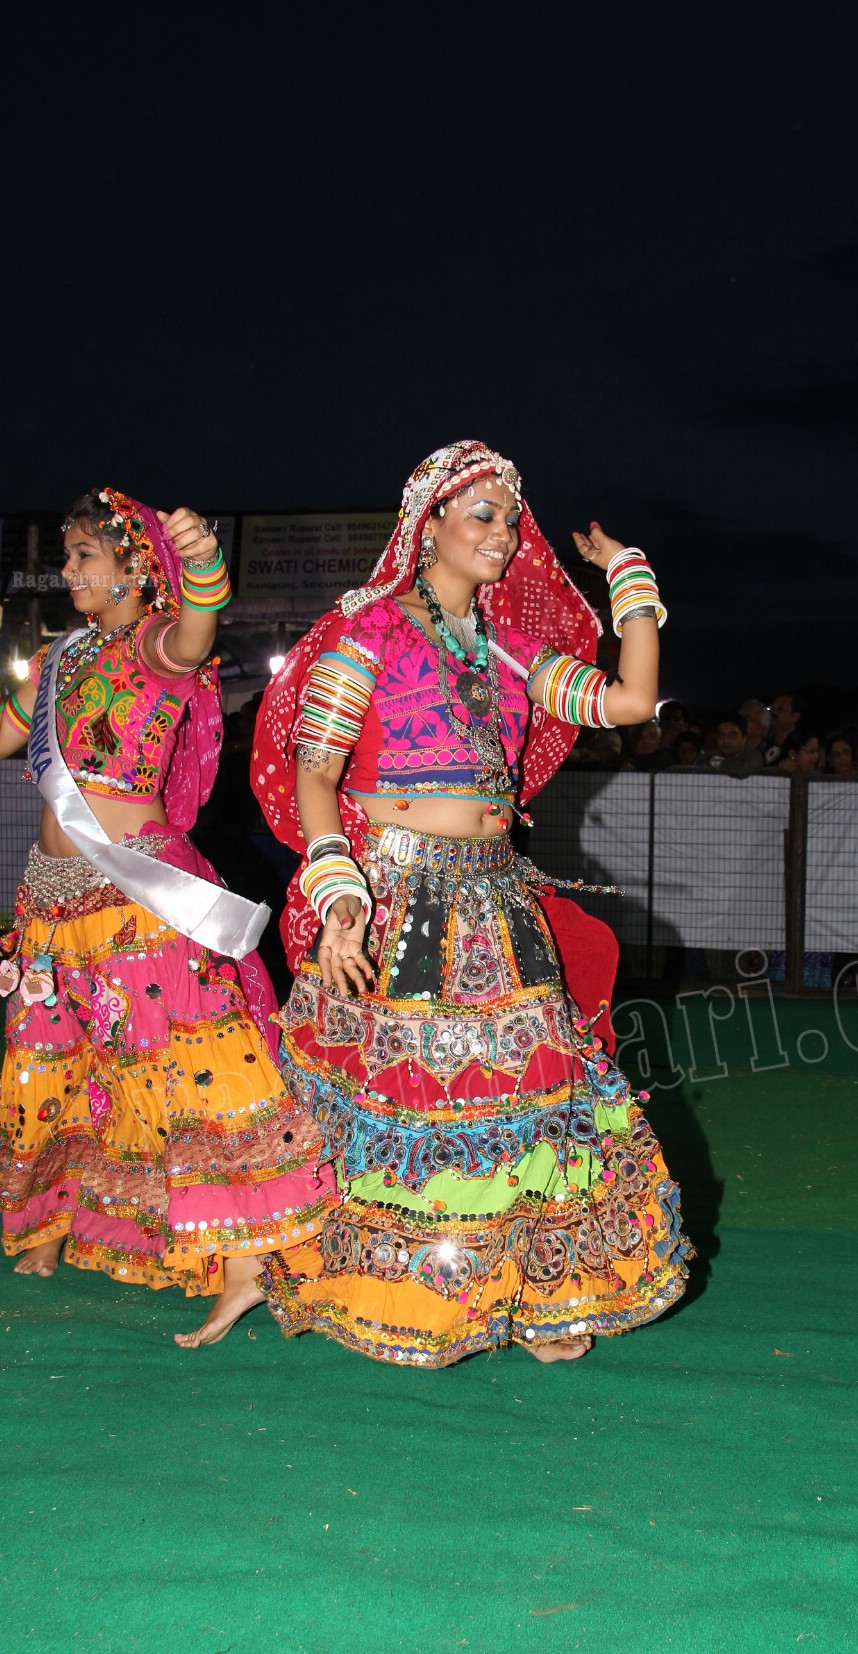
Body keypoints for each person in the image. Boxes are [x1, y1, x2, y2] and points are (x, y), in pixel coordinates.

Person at [250, 440, 692, 1368]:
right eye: (481, 514)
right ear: (428, 528)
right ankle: (405, 1285)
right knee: (409, 1099)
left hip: (498, 898)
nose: (502, 533)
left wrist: (631, 580)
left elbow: (633, 698)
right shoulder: (365, 632)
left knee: (526, 1093)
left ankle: (530, 1287)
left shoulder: (506, 648)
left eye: (509, 517)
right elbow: (315, 770)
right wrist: (338, 891)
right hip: (397, 893)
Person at [0, 489, 332, 1346]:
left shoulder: (154, 648)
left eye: (82, 556)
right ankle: (51, 1224)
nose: (67, 570)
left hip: (139, 897)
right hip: (50, 898)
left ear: (134, 569)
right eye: (68, 555)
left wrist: (202, 559)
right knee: (62, 1063)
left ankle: (247, 1264)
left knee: (197, 1069)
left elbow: (199, 623)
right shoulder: (61, 657)